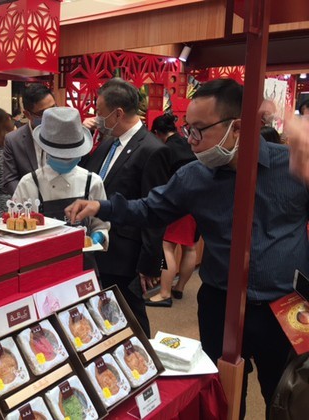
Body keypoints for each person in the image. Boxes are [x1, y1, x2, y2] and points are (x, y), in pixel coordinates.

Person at [66, 78, 309, 418]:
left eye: (198, 131)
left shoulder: (293, 167)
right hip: (220, 303)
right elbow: (150, 208)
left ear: (237, 127)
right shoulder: (195, 176)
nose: (190, 141)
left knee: (285, 394)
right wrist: (101, 207)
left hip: (282, 308)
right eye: (187, 130)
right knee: (221, 393)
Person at [82, 78, 171, 338]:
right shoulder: (109, 141)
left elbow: (156, 211)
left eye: (100, 113)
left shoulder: (153, 150)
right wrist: (86, 134)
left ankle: (145, 365)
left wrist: (149, 264)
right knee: (103, 313)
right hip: (99, 243)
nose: (98, 118)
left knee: (132, 316)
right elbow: (89, 175)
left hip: (126, 253)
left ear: (117, 113)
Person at [12, 106, 110, 252]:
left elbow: (101, 225)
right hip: (41, 263)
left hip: (83, 263)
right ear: (45, 149)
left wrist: (98, 236)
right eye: (60, 154)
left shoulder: (92, 182)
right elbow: (16, 226)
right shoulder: (29, 183)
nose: (65, 159)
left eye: (70, 154)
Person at [146, 113, 198, 307]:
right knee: (190, 247)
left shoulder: (165, 149)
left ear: (158, 133)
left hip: (176, 203)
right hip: (196, 204)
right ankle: (179, 288)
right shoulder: (188, 143)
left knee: (166, 247)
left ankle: (164, 293)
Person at [3, 83, 56, 195]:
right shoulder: (13, 140)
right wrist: (28, 200)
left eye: (53, 108)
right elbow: (10, 180)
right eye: (42, 113)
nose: (51, 116)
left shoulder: (64, 134)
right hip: (29, 204)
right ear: (27, 114)